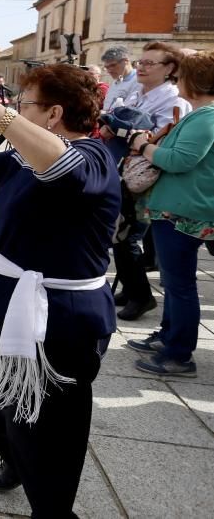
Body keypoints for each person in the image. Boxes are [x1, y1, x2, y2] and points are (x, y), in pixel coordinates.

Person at [0, 63, 120, 519]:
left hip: (61, 320)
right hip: (13, 308)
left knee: (46, 426)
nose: (17, 110)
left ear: (54, 113)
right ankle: (21, 462)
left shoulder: (92, 158)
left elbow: (60, 165)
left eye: (25, 104)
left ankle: (53, 509)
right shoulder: (25, 153)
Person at [127, 50, 214, 377]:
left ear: (194, 80)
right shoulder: (200, 114)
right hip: (179, 209)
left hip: (183, 211)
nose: (177, 81)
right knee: (174, 283)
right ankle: (168, 336)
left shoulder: (206, 117)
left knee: (180, 286)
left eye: (181, 76)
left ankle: (179, 353)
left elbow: (179, 160)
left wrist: (143, 146)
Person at [107, 42, 191, 320]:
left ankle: (141, 297)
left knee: (128, 237)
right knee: (120, 236)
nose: (141, 67)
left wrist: (123, 130)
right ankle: (131, 289)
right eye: (140, 62)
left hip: (144, 177)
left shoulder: (173, 99)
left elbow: (163, 137)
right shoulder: (137, 91)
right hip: (123, 169)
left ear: (169, 69)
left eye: (149, 63)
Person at [101, 45, 138, 112]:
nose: (109, 71)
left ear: (126, 61)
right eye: (106, 67)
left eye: (113, 65)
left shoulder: (139, 81)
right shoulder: (115, 82)